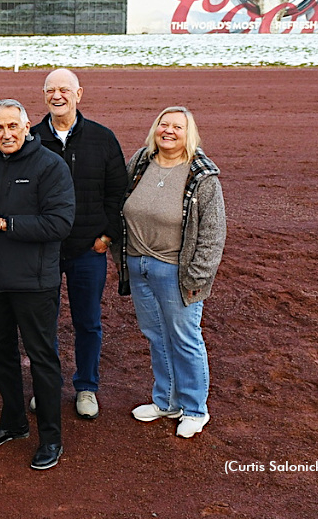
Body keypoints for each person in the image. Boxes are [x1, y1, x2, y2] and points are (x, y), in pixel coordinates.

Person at [0, 99, 74, 471]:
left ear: (27, 126)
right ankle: (13, 421)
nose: (6, 134)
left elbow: (59, 223)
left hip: (34, 283)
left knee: (42, 359)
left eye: (12, 127)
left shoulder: (50, 166)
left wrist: (5, 224)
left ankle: (51, 437)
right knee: (0, 356)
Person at [28, 68, 128, 420]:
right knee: (44, 322)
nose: (57, 96)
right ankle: (47, 386)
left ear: (79, 94)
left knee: (88, 322)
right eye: (50, 90)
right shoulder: (31, 138)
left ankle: (86, 387)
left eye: (64, 90)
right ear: (44, 96)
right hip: (45, 251)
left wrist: (106, 236)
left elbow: (118, 193)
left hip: (89, 250)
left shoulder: (102, 138)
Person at [119, 106, 226, 439]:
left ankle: (195, 408)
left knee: (185, 338)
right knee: (156, 336)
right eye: (163, 125)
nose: (168, 131)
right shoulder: (140, 162)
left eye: (177, 127)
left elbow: (213, 233)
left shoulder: (201, 176)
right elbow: (119, 203)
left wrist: (197, 277)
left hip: (177, 272)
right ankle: (166, 401)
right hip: (139, 266)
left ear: (188, 133)